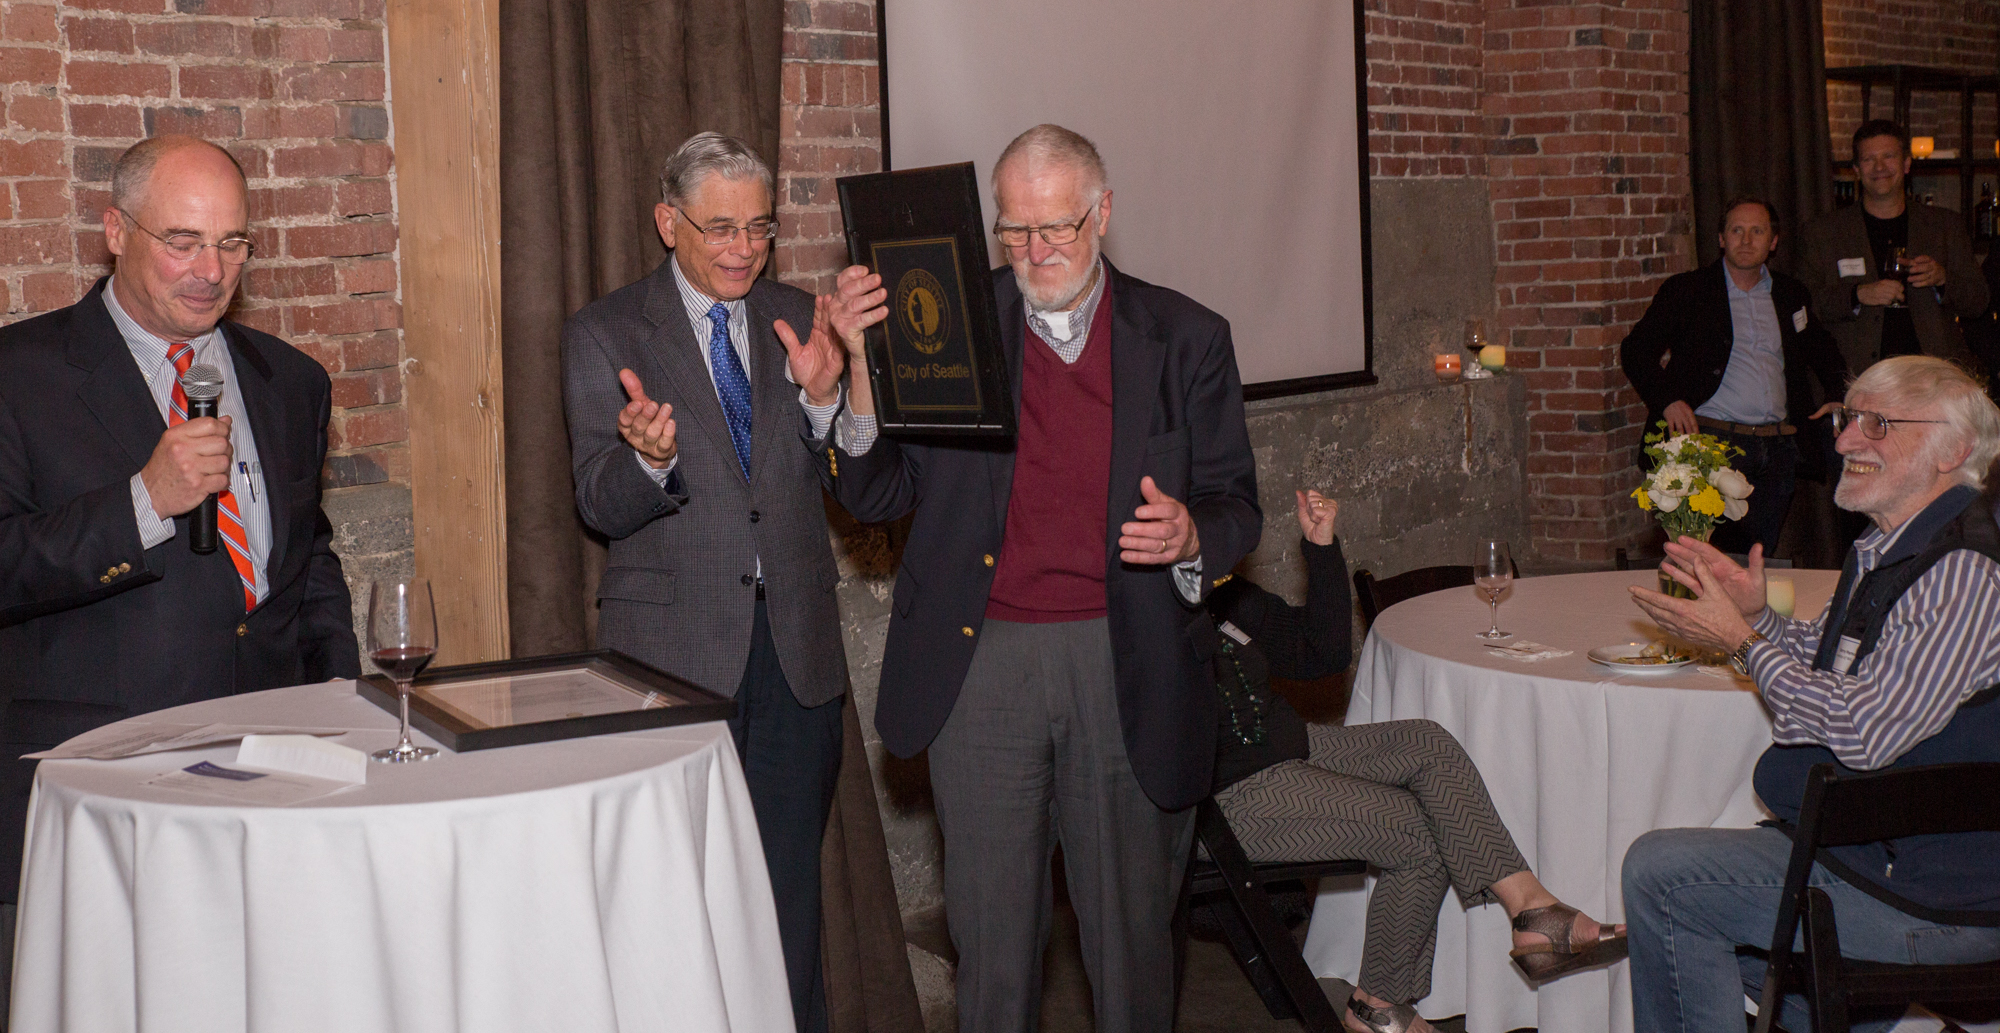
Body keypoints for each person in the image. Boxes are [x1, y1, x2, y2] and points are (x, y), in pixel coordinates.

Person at [814, 124, 1262, 1033]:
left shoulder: (1185, 337)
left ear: (1103, 213)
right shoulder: (952, 325)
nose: (1035, 251)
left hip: (1125, 663)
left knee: (1132, 953)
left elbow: (1234, 503)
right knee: (991, 953)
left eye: (1056, 227)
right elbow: (877, 491)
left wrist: (1190, 534)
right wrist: (857, 374)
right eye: (1014, 230)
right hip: (982, 665)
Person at [0, 136, 361, 1023]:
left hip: (274, 790)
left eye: (232, 243)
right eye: (183, 241)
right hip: (100, 793)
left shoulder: (291, 380)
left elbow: (306, 556)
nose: (211, 270)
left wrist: (341, 696)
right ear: (115, 231)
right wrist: (144, 503)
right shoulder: (18, 376)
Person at [560, 131, 851, 1033]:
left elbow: (857, 477)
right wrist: (648, 461)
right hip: (672, 659)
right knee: (676, 905)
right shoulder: (606, 330)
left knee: (787, 903)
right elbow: (597, 502)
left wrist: (825, 402)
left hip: (795, 654)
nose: (743, 248)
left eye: (760, 227)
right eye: (720, 227)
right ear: (668, 222)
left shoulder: (800, 318)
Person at [1621, 355, 2000, 1033]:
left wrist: (1742, 642)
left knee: (1663, 878)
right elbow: (1844, 665)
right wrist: (1760, 620)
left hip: (1938, 899)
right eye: (1849, 419)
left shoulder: (1962, 572)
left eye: (1876, 424)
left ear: (1953, 452)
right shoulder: (1890, 547)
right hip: (1876, 857)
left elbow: (1866, 732)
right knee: (1684, 913)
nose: (1846, 439)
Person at [1213, 490, 1626, 1033]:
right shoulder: (1154, 612)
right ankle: (1377, 1006)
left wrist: (1321, 550)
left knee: (1428, 745)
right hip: (1224, 789)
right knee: (1413, 831)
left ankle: (1532, 911)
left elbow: (1321, 654)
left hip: (1284, 745)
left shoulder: (1224, 594)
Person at [1619, 197, 1847, 555]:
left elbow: (1823, 349)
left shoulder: (1790, 294)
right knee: (1707, 559)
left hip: (1776, 448)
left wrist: (1837, 394)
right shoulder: (1688, 290)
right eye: (1737, 230)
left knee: (1757, 559)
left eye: (1757, 231)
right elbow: (1636, 350)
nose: (1746, 240)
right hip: (1710, 445)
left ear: (1773, 241)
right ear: (1721, 239)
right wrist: (1667, 401)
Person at [1794, 120, 1987, 374]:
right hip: (1858, 377)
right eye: (1869, 159)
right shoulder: (1823, 233)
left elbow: (1979, 301)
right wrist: (1856, 295)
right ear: (1856, 170)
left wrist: (1943, 280)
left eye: (1888, 156)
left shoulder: (1945, 226)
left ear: (1906, 164)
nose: (1879, 167)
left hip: (1933, 377)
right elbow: (1803, 306)